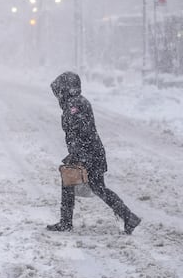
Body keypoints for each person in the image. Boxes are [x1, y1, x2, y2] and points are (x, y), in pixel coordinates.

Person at [47, 71, 141, 234]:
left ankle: (66, 222)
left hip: (88, 155)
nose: (58, 95)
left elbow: (82, 131)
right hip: (90, 153)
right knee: (89, 187)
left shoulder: (74, 105)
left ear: (66, 89)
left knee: (90, 186)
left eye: (59, 90)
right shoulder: (76, 102)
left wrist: (79, 156)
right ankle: (128, 217)